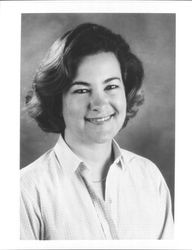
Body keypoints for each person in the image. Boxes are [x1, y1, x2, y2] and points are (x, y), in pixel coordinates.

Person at [20, 22, 174, 240]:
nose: (100, 104)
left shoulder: (149, 176)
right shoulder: (25, 190)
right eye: (82, 90)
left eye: (111, 86)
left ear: (126, 89)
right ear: (56, 101)